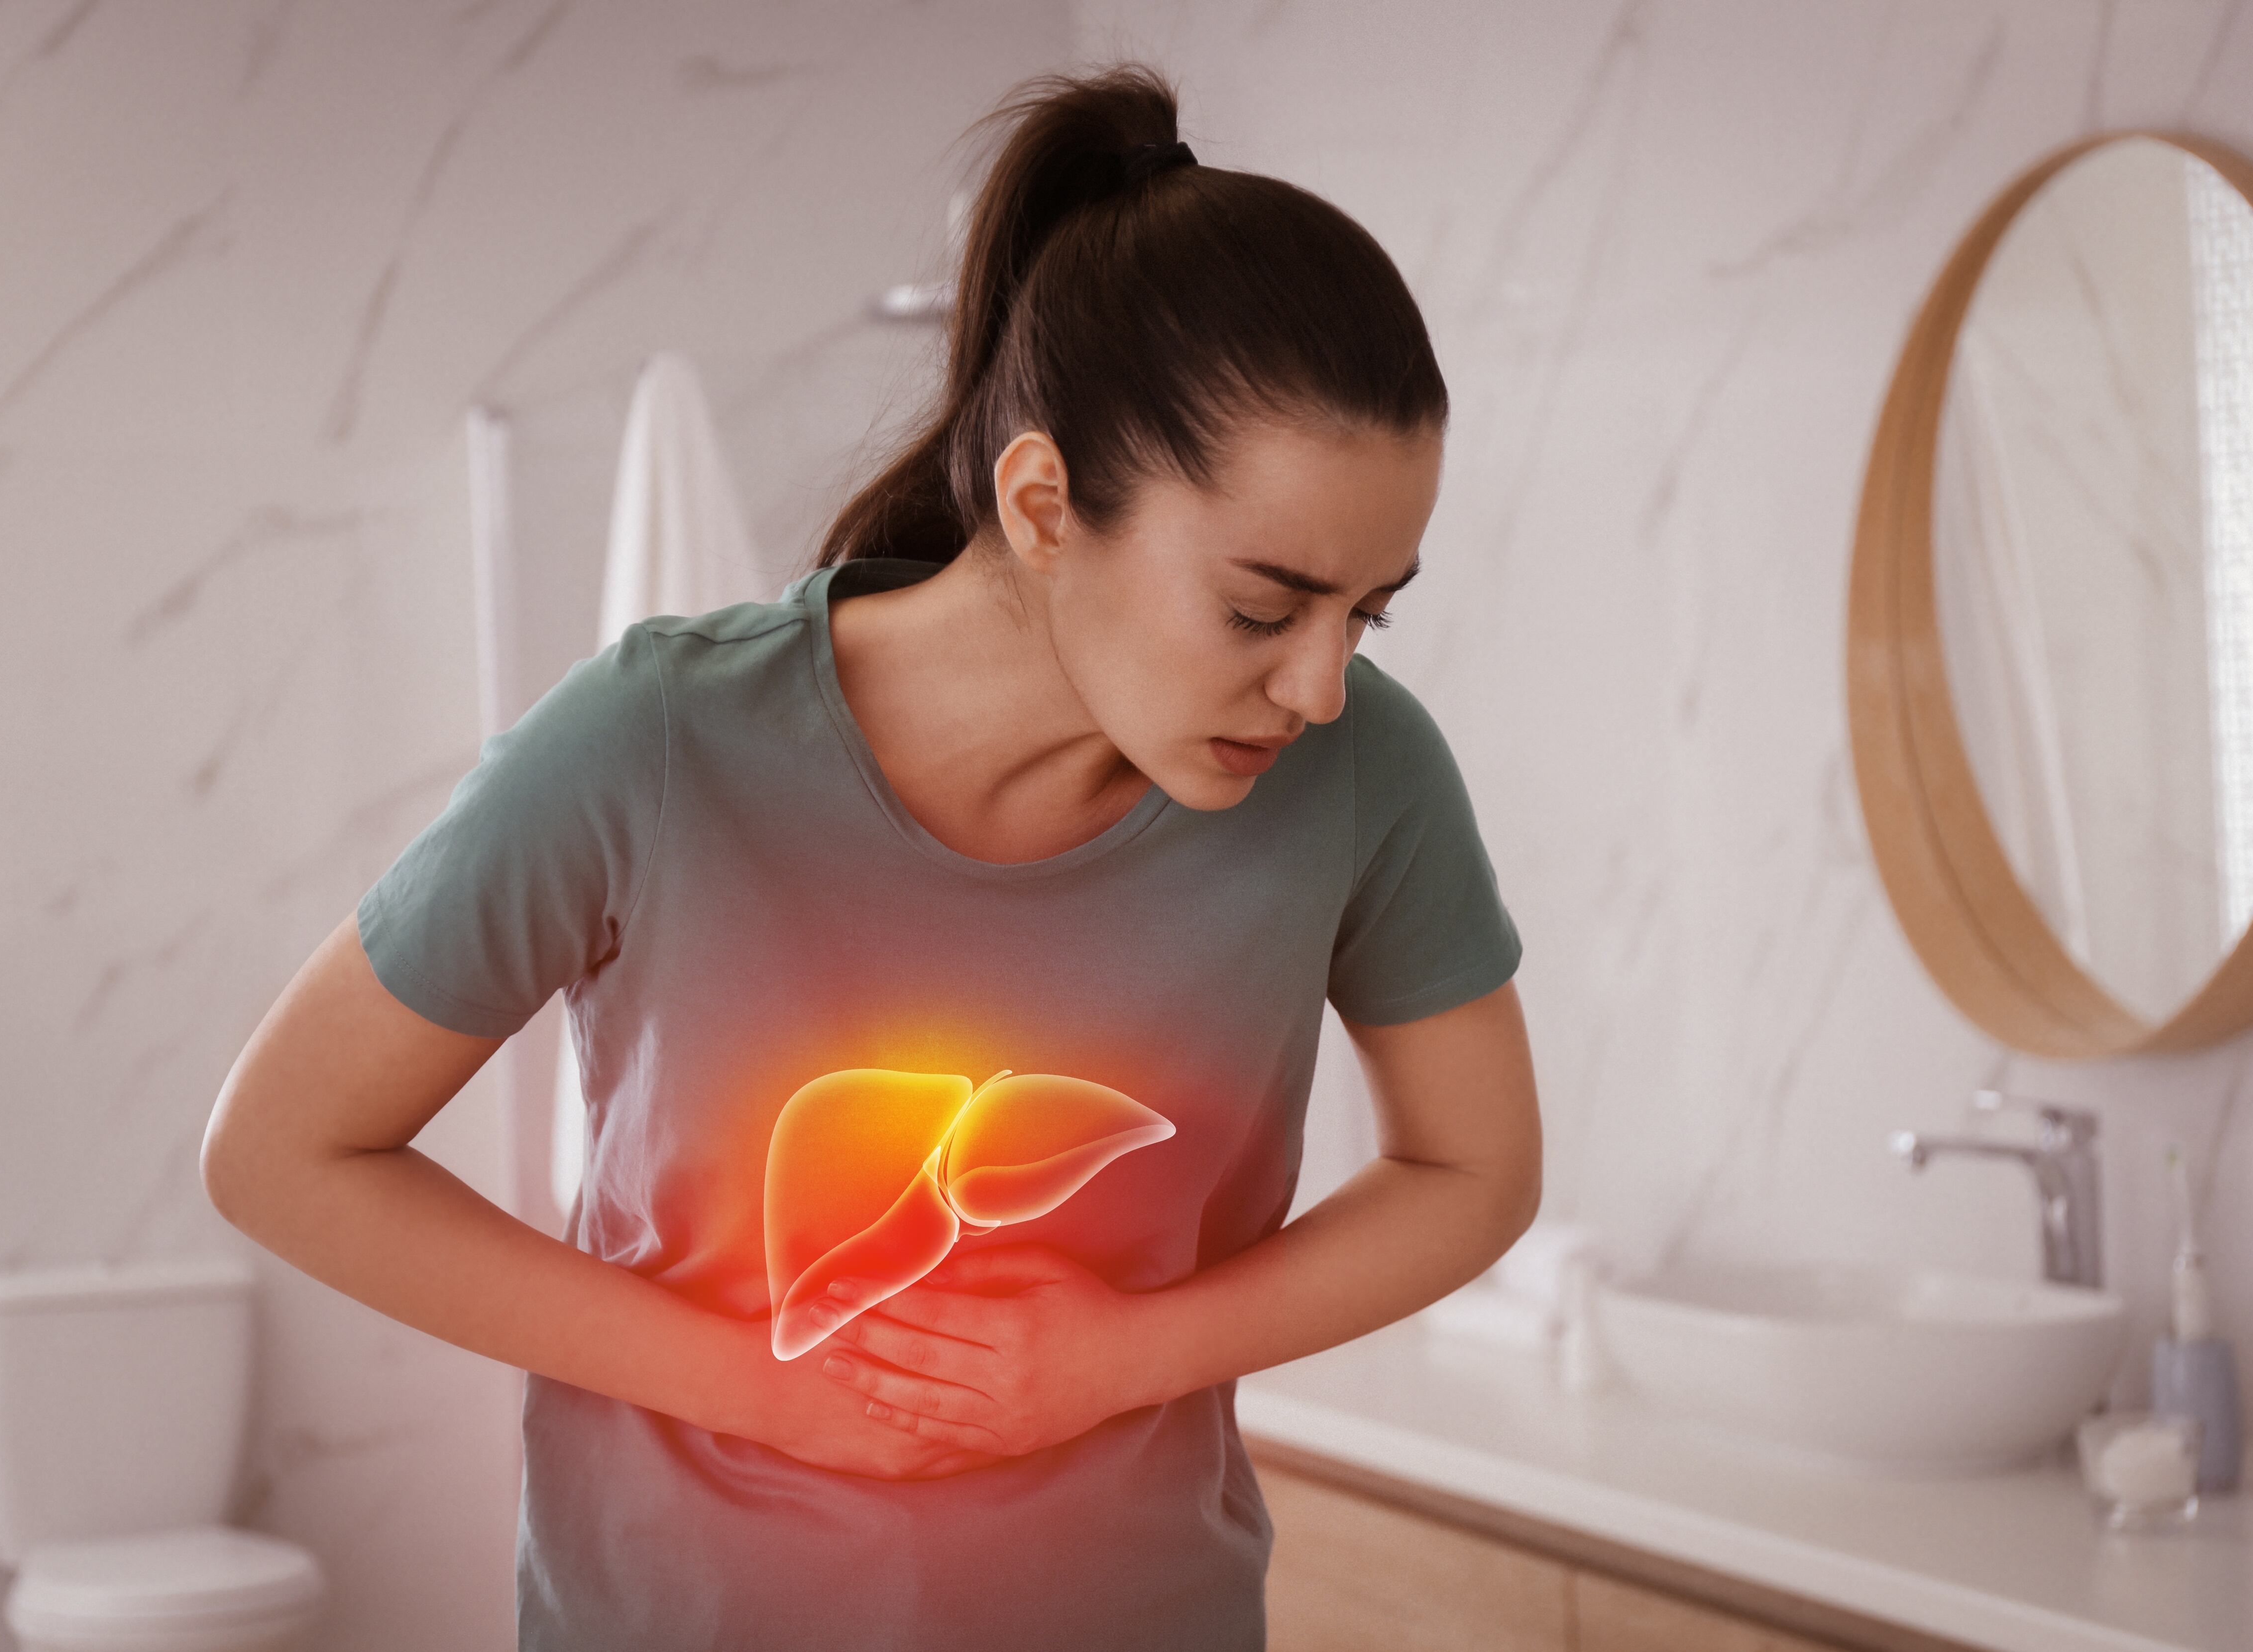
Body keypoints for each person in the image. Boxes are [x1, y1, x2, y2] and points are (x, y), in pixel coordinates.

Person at [202, 63, 1541, 1652]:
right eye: (1265, 608)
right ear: (1045, 504)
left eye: (1368, 612)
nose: (1321, 685)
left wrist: (1118, 1355)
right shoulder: (657, 743)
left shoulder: (1363, 777)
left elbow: (1477, 1172)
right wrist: (762, 1385)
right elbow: (283, 1150)